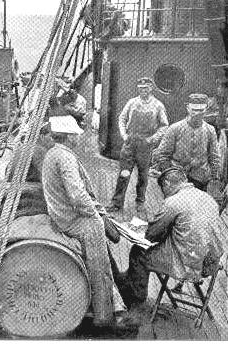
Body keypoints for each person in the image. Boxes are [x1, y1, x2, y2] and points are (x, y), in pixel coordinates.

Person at [42, 115, 129, 329]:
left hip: (61, 216)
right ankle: (104, 315)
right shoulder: (65, 158)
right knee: (99, 264)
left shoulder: (52, 154)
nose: (78, 138)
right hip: (74, 220)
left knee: (104, 257)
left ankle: (116, 304)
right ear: (69, 137)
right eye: (75, 135)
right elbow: (77, 196)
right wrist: (95, 215)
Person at [113, 167, 224, 309]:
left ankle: (136, 301)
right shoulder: (208, 198)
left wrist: (142, 229)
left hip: (188, 264)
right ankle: (129, 280)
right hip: (209, 261)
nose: (164, 195)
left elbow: (152, 235)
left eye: (163, 190)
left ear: (167, 183)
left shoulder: (174, 201)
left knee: (138, 252)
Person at [107, 77, 168, 213]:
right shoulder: (132, 102)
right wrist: (124, 135)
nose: (143, 91)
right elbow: (122, 118)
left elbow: (164, 126)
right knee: (124, 174)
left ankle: (140, 201)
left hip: (145, 146)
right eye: (141, 89)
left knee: (143, 176)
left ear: (151, 88)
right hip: (130, 143)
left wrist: (152, 139)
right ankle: (117, 203)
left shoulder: (158, 105)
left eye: (146, 88)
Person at [153, 93, 221, 191]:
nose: (197, 114)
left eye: (201, 110)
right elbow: (162, 154)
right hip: (176, 179)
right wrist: (170, 174)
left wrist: (214, 178)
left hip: (200, 180)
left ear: (206, 109)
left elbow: (214, 157)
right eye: (194, 110)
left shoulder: (210, 130)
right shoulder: (174, 129)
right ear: (188, 108)